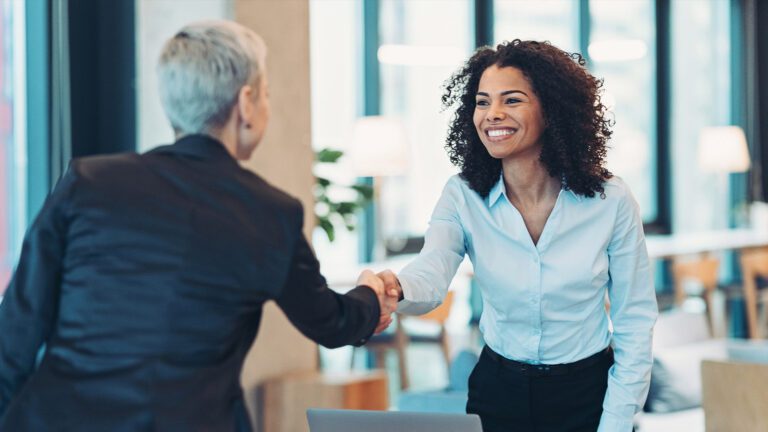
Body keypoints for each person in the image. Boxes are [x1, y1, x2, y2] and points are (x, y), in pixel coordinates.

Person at [0, 20, 396, 432]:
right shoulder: (269, 212)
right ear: (246, 103)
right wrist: (370, 296)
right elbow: (330, 322)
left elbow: (17, 328)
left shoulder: (87, 182)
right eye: (266, 95)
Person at [377, 40, 657, 432]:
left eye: (512, 100)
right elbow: (433, 268)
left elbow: (635, 320)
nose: (493, 115)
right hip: (498, 390)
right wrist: (394, 287)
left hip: (585, 393)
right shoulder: (462, 195)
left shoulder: (610, 200)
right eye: (482, 102)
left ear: (552, 110)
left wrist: (614, 423)